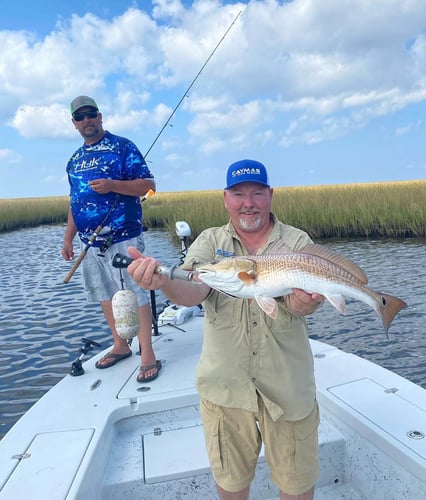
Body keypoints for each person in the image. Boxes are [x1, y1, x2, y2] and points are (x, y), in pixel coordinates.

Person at [127, 159, 325, 499]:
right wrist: (162, 282)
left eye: (256, 193)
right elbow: (193, 290)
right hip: (225, 389)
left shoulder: (296, 241)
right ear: (225, 199)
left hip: (288, 388)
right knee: (231, 483)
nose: (248, 203)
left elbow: (297, 303)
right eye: (238, 194)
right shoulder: (209, 241)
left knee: (296, 484)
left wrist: (306, 303)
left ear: (270, 195)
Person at [61, 95, 161, 383]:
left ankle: (147, 355)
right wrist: (68, 238)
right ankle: (120, 345)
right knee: (104, 294)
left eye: (91, 114)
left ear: (100, 116)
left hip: (123, 237)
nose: (86, 120)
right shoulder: (74, 160)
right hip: (88, 242)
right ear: (74, 124)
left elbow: (150, 187)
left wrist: (112, 186)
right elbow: (74, 202)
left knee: (134, 293)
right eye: (80, 117)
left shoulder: (122, 147)